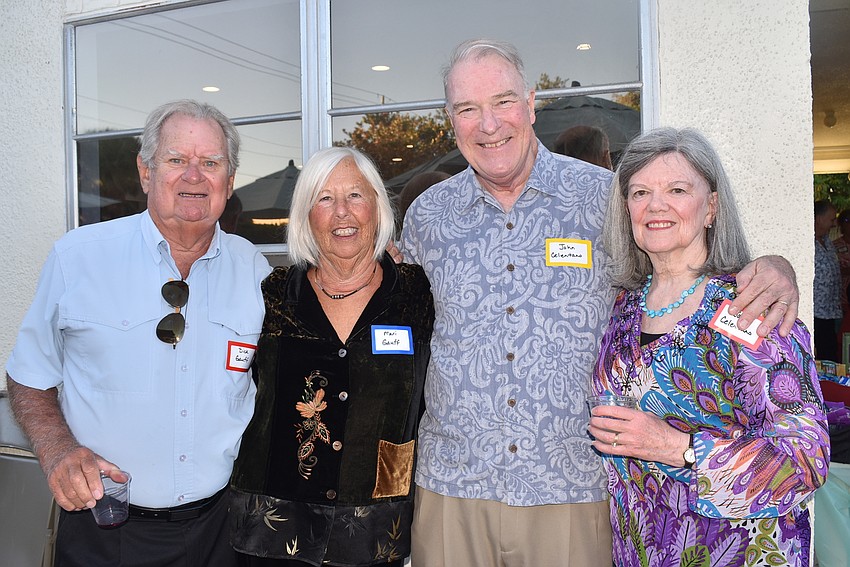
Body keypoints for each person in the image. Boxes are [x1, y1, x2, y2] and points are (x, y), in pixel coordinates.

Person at [400, 39, 801, 567]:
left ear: (530, 102)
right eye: (467, 109)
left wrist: (776, 266)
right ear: (450, 119)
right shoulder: (427, 216)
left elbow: (679, 255)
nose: (488, 124)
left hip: (573, 485)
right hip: (452, 484)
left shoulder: (606, 198)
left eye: (501, 102)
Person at [5, 99, 270, 567]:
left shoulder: (255, 271)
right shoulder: (78, 258)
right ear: (145, 173)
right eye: (176, 160)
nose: (194, 176)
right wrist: (57, 449)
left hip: (222, 531)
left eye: (210, 163)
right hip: (105, 530)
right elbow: (29, 374)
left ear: (229, 181)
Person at [588, 127, 829, 566]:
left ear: (711, 207)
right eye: (640, 192)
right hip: (639, 550)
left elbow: (806, 460)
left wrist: (677, 447)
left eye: (677, 189)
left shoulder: (750, 306)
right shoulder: (623, 306)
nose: (655, 205)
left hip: (741, 552)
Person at [229, 146, 434, 566]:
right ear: (306, 215)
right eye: (325, 198)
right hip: (273, 530)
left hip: (376, 530)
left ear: (378, 207)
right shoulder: (270, 294)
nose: (342, 212)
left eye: (355, 196)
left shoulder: (415, 292)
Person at [814, 200, 842, 361]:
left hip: (831, 310)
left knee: (831, 352)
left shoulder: (827, 241)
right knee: (823, 353)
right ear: (818, 219)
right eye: (831, 219)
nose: (834, 224)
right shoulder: (808, 242)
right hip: (817, 311)